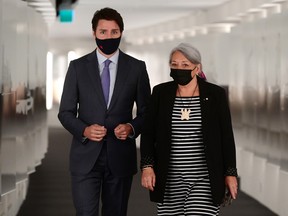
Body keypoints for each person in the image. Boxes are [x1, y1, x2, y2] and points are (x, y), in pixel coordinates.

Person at [58, 7, 151, 216]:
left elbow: (147, 113)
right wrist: (84, 131)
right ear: (94, 33)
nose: (108, 36)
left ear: (121, 33)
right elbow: (65, 112)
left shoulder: (137, 68)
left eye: (114, 32)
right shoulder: (77, 68)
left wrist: (131, 127)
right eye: (103, 32)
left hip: (120, 157)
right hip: (85, 158)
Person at [140, 42, 238, 215]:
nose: (179, 69)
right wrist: (147, 166)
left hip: (204, 178)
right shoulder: (160, 93)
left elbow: (226, 137)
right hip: (170, 178)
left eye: (185, 65)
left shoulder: (215, 95)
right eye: (174, 64)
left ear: (197, 68)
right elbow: (148, 133)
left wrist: (230, 173)